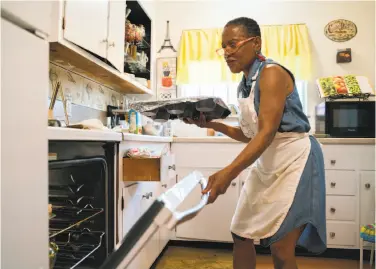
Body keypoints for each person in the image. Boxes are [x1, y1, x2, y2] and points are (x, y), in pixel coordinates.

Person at [183, 17, 326, 269]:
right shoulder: (244, 84)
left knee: (281, 248)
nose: (226, 53)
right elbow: (250, 134)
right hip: (268, 161)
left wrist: (228, 173)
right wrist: (211, 125)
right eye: (223, 47)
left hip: (295, 160)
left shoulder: (272, 74)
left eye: (233, 44)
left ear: (255, 42)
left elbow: (267, 133)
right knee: (241, 233)